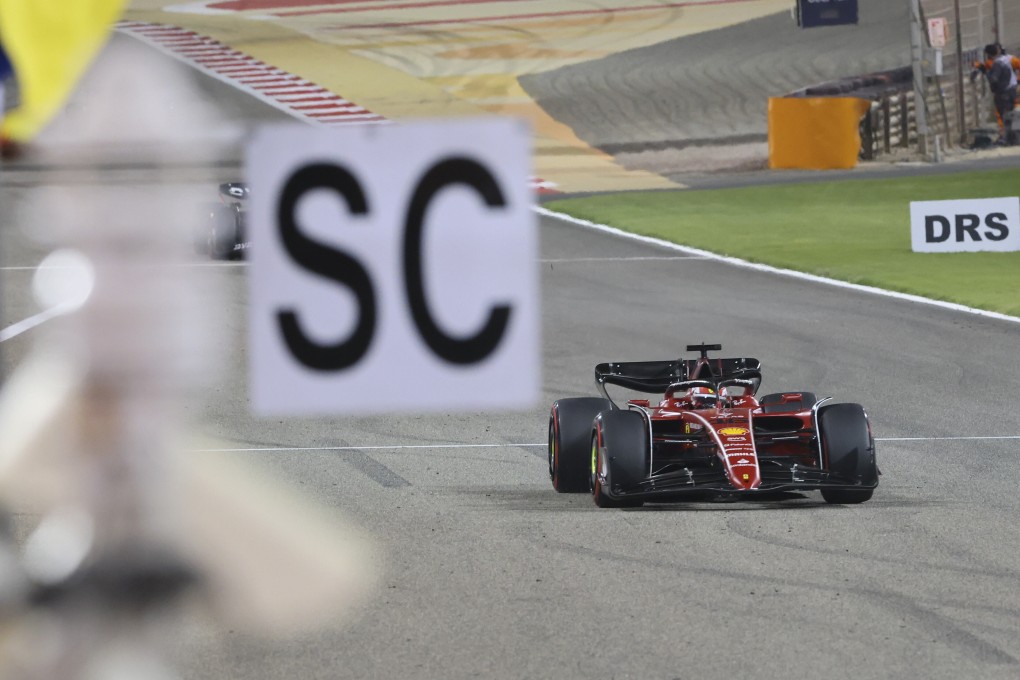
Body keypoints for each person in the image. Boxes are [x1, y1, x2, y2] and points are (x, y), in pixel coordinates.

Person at [975, 44, 1019, 144]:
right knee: (1014, 114)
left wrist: (986, 73)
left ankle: (1007, 138)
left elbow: (994, 78)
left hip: (1003, 93)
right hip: (1012, 90)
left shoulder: (998, 63)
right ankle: (1015, 137)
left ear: (989, 54)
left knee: (1004, 115)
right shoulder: (1006, 60)